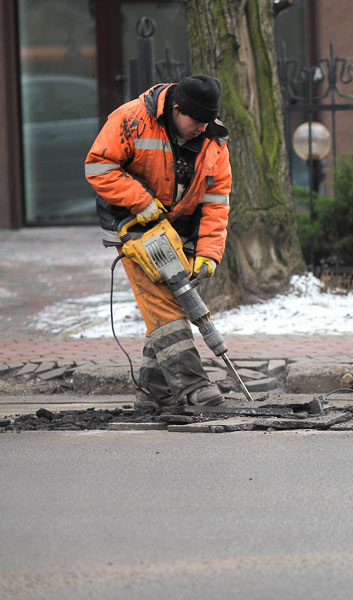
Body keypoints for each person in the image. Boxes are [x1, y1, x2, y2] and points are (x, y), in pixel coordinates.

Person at [85, 74, 232, 412]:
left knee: (174, 302)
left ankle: (154, 390)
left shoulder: (214, 138)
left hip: (176, 231)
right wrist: (140, 201)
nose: (201, 128)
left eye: (207, 122)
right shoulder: (131, 118)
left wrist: (208, 254)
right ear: (177, 109)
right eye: (196, 121)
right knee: (165, 306)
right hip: (132, 226)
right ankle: (193, 386)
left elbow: (216, 202)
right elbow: (97, 166)